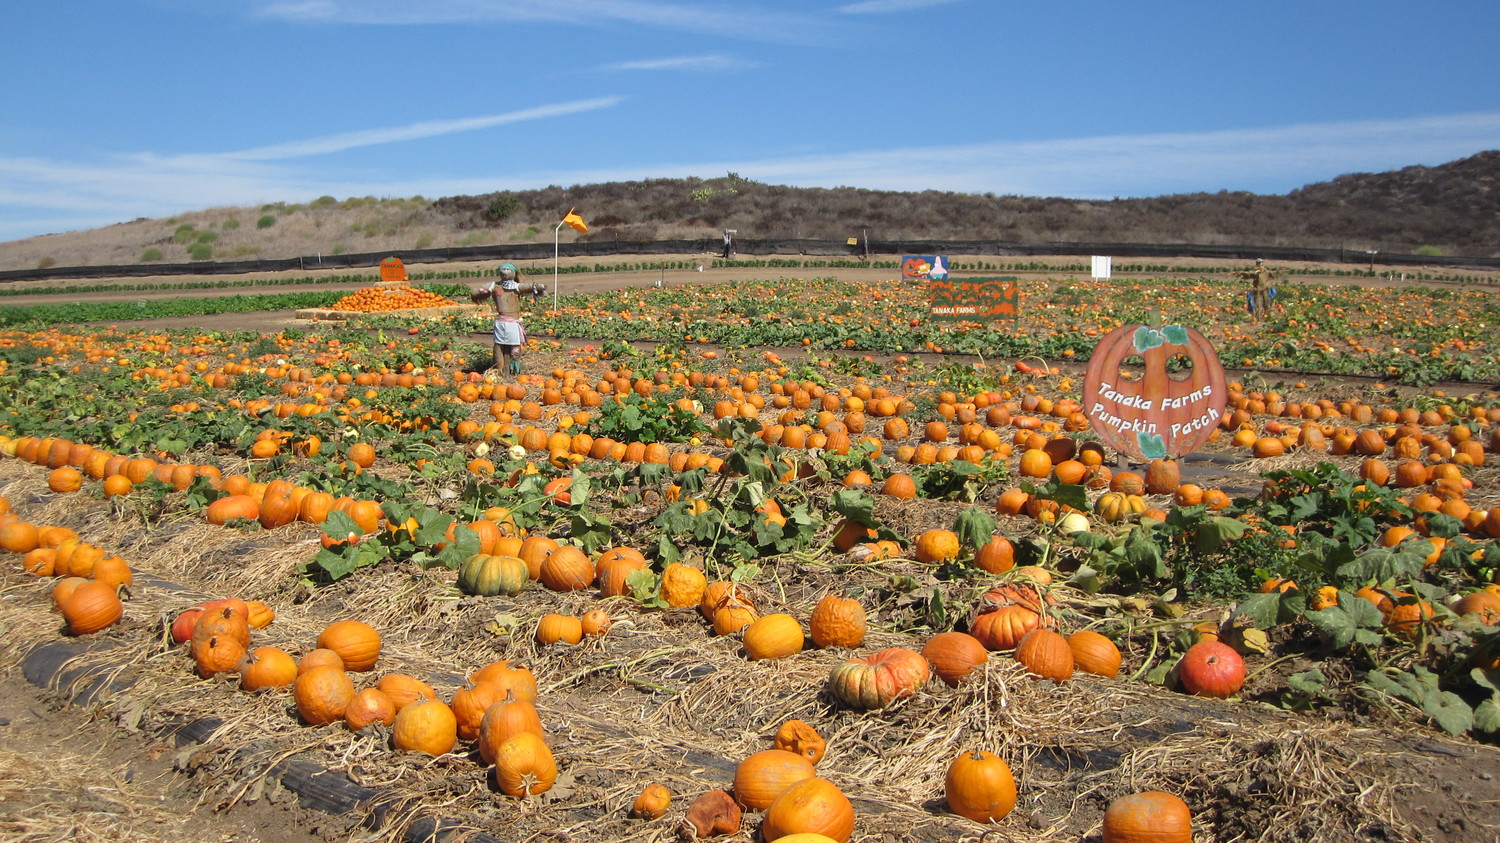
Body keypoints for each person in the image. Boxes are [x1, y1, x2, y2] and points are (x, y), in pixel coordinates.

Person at [472, 262, 526, 377]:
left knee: (515, 347)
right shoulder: (494, 285)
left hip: (512, 322)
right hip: (501, 322)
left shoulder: (516, 286)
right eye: (503, 269)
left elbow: (528, 287)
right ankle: (499, 369)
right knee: (498, 346)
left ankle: (513, 367)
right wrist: (480, 292)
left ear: (513, 272)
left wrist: (536, 287)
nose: (505, 271)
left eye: (508, 270)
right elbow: (476, 291)